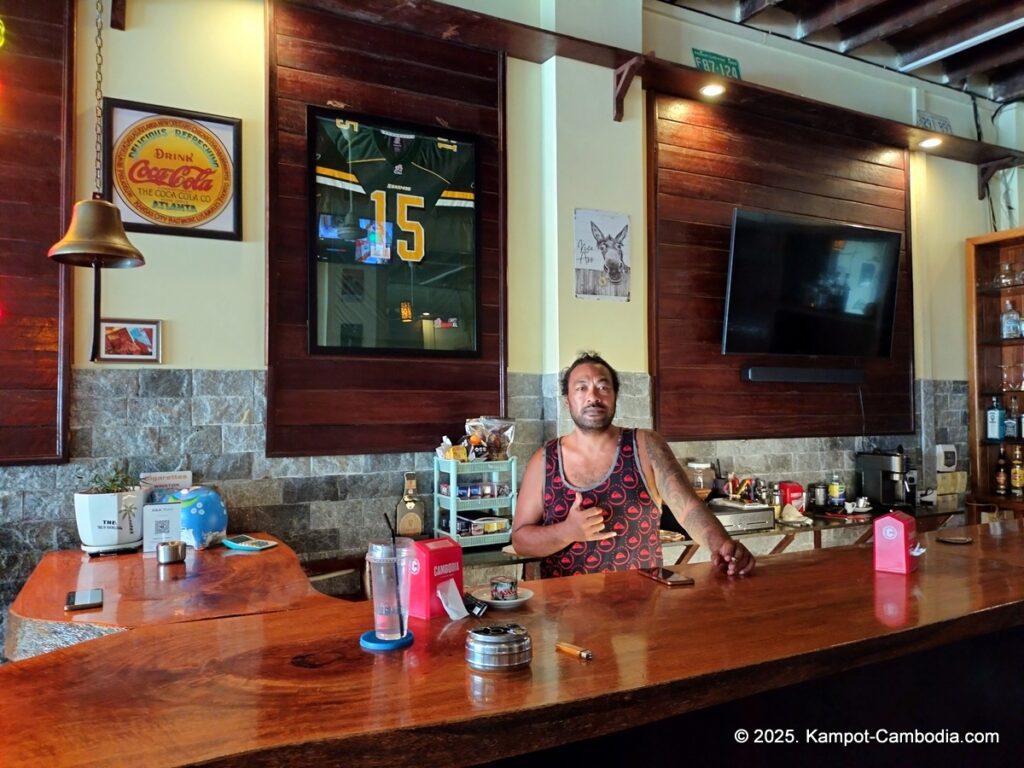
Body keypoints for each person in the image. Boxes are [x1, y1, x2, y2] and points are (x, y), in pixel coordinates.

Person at [511, 352, 755, 578]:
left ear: (615, 395)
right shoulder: (545, 460)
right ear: (568, 401)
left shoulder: (646, 446)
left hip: (642, 610)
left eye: (603, 387)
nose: (593, 397)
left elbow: (689, 509)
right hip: (564, 614)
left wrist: (722, 545)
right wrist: (567, 531)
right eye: (581, 388)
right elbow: (521, 540)